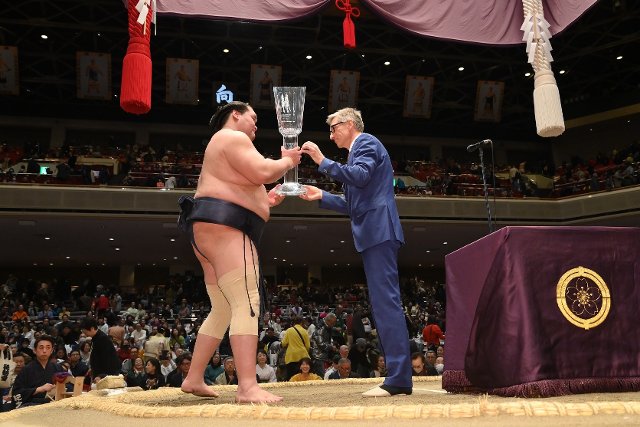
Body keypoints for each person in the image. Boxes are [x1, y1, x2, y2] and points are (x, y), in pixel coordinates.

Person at [178, 101, 301, 403]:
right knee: (247, 300)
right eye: (253, 118)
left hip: (211, 230)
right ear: (235, 115)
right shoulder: (232, 137)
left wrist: (267, 201)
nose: (256, 125)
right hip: (227, 228)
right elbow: (262, 170)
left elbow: (247, 183)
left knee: (222, 309)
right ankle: (247, 385)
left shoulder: (223, 145)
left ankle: (194, 378)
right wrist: (287, 160)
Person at [300, 107, 412, 397]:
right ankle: (398, 376)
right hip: (373, 232)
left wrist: (322, 161)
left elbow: (360, 177)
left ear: (350, 124)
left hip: (379, 230)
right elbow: (353, 204)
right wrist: (321, 196)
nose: (331, 133)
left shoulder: (367, 143)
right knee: (383, 304)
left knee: (386, 303)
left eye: (334, 127)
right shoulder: (357, 152)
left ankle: (399, 378)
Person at [11, 335, 64, 409]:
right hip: (32, 406)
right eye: (41, 347)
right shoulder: (26, 369)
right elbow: (17, 393)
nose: (44, 350)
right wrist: (39, 389)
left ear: (52, 351)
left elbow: (67, 386)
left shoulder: (58, 367)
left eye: (48, 348)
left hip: (54, 404)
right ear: (34, 350)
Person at [79, 317, 121, 383]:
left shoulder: (103, 339)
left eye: (85, 332)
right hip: (99, 374)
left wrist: (101, 375)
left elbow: (108, 360)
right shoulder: (95, 338)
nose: (85, 334)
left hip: (106, 376)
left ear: (92, 328)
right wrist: (93, 368)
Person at [281, 316, 310, 381]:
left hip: (291, 357)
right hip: (302, 357)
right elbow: (308, 346)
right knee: (302, 378)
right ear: (302, 323)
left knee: (291, 378)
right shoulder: (305, 331)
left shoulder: (289, 330)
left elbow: (283, 344)